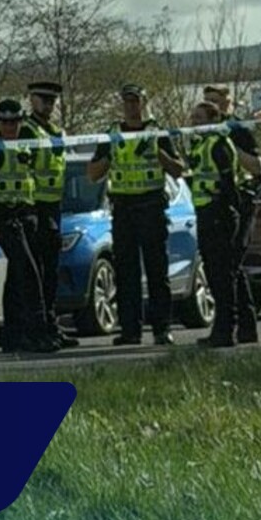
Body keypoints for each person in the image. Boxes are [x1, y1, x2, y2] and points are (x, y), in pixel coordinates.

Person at [86, 83, 186, 346]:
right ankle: (130, 330)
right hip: (123, 210)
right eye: (127, 102)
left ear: (143, 102)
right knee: (126, 273)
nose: (132, 107)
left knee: (157, 272)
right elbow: (93, 174)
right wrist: (109, 157)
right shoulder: (113, 133)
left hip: (151, 208)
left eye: (136, 101)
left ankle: (162, 329)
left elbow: (179, 170)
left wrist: (159, 155)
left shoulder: (157, 132)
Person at [0, 99, 58, 354]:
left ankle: (12, 335)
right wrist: (0, 213)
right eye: (4, 122)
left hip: (28, 215)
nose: (9, 127)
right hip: (6, 220)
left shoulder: (27, 145)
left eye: (14, 122)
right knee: (29, 274)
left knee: (17, 277)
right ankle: (38, 333)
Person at [21, 81, 79, 349]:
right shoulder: (27, 130)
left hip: (54, 206)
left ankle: (51, 325)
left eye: (52, 101)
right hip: (35, 208)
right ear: (31, 100)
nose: (49, 105)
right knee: (39, 272)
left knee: (51, 274)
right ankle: (38, 329)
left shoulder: (55, 131)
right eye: (43, 99)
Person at [204, 85, 261, 343]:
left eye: (216, 102)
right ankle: (238, 326)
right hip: (215, 205)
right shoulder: (203, 131)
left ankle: (239, 326)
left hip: (240, 200)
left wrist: (229, 144)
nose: (211, 106)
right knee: (221, 268)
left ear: (227, 103)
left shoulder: (237, 129)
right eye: (207, 101)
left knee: (231, 265)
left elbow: (257, 166)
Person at [186, 101, 245, 347]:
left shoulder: (219, 144)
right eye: (194, 118)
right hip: (205, 213)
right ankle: (220, 329)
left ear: (213, 119)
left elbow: (228, 182)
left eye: (199, 118)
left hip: (219, 214)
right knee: (213, 274)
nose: (194, 122)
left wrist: (226, 208)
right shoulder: (200, 144)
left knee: (222, 275)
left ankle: (226, 330)